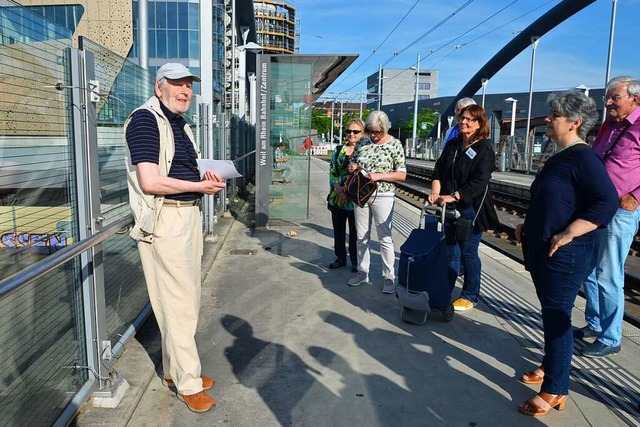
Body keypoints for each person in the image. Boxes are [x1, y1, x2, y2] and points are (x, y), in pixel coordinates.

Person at [124, 62, 226, 413]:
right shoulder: (145, 121)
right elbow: (150, 181)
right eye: (177, 85)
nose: (186, 91)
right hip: (165, 219)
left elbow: (179, 167)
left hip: (187, 216)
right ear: (159, 87)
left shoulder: (178, 123)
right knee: (180, 306)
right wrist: (200, 185)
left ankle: (173, 372)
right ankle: (188, 382)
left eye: (188, 85)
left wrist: (206, 177)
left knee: (183, 300)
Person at [515, 90, 618, 417]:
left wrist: (572, 231)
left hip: (566, 254)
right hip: (543, 248)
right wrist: (527, 225)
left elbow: (607, 201)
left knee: (557, 318)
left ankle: (555, 389)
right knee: (550, 313)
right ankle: (549, 366)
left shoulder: (584, 158)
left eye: (554, 116)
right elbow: (554, 200)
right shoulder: (561, 155)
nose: (548, 119)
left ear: (574, 122)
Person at [577, 76, 640, 358]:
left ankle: (611, 336)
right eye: (608, 97)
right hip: (595, 205)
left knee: (608, 272)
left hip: (619, 210)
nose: (609, 102)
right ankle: (594, 322)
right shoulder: (608, 126)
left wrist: (636, 197)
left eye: (615, 97)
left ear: (634, 99)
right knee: (589, 269)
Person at [428, 105, 500, 311]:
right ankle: (446, 290)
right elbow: (439, 170)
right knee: (451, 251)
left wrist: (453, 196)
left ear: (479, 123)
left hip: (471, 208)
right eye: (462, 118)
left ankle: (470, 294)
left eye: (469, 119)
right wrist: (435, 191)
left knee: (468, 252)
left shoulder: (484, 149)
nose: (463, 122)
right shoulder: (454, 144)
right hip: (449, 206)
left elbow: (479, 182)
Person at [347, 111, 406, 294]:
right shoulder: (363, 142)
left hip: (384, 195)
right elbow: (353, 162)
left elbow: (402, 174)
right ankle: (362, 271)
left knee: (384, 237)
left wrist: (379, 176)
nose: (373, 135)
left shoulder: (394, 144)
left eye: (378, 132)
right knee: (361, 236)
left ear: (385, 129)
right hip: (361, 194)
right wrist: (353, 167)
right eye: (371, 131)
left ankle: (389, 276)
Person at [327, 120, 365, 273]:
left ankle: (356, 260)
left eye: (356, 132)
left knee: (356, 232)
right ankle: (340, 257)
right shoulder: (338, 150)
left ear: (362, 133)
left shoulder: (365, 151)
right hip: (338, 198)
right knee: (339, 229)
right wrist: (339, 190)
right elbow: (332, 172)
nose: (351, 134)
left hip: (355, 198)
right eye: (349, 131)